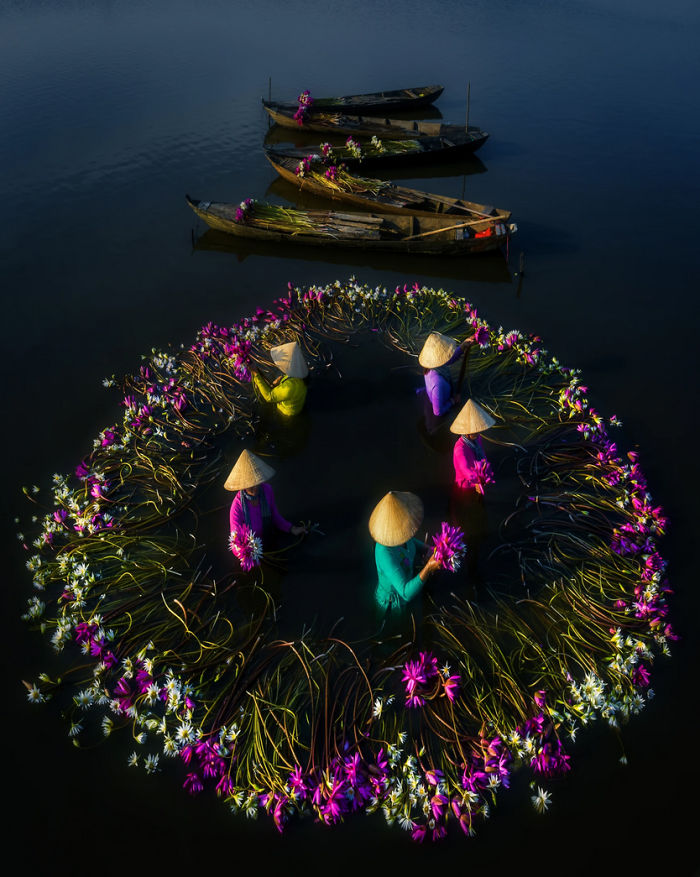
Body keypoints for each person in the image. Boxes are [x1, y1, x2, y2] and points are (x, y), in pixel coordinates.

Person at [370, 490, 440, 611]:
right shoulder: (385, 553)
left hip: (409, 588)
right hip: (392, 606)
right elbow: (405, 593)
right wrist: (428, 568)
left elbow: (413, 544)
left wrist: (432, 550)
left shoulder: (403, 535)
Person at [224, 448, 306, 541]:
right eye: (251, 485)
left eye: (257, 483)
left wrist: (292, 529)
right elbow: (236, 540)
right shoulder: (237, 506)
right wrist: (248, 552)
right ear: (244, 486)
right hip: (253, 547)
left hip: (269, 535)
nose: (255, 488)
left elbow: (274, 516)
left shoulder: (267, 490)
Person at [418, 331, 472, 422]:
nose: (446, 356)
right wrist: (453, 401)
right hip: (440, 402)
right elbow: (438, 412)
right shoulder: (438, 383)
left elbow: (449, 359)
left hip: (438, 393)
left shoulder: (431, 364)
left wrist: (463, 346)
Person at [449, 399, 496, 495]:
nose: (478, 433)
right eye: (475, 431)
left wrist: (485, 471)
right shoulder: (460, 449)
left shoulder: (477, 438)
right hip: (466, 483)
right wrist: (477, 482)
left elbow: (482, 455)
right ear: (467, 433)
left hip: (478, 476)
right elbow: (465, 469)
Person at [251, 341, 308, 417]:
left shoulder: (289, 387)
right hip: (297, 403)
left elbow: (269, 397)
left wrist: (256, 374)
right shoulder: (302, 371)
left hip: (288, 413)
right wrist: (280, 380)